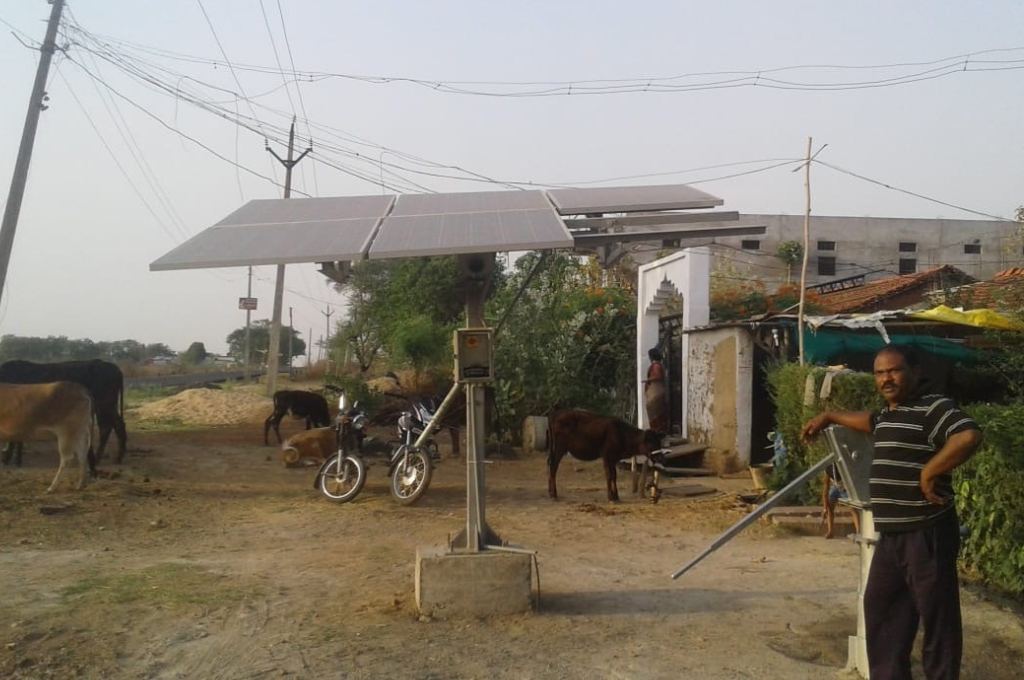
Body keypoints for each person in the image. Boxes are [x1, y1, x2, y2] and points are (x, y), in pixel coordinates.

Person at [801, 345, 982, 680]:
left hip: (926, 533)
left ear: (914, 372)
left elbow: (968, 435)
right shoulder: (888, 415)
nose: (886, 378)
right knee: (882, 615)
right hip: (892, 537)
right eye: (880, 373)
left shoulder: (933, 407)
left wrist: (929, 471)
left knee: (937, 620)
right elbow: (866, 421)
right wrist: (828, 416)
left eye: (894, 370)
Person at [821, 461, 860, 539]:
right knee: (829, 507)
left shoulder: (843, 465)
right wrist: (825, 508)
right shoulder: (828, 469)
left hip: (847, 486)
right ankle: (830, 532)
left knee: (852, 508)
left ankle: (858, 532)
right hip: (836, 487)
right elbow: (825, 490)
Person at [643, 347, 668, 433]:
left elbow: (657, 376)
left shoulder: (656, 366)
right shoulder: (658, 365)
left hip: (656, 394)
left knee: (656, 416)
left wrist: (648, 380)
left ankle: (658, 433)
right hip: (655, 394)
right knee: (656, 415)